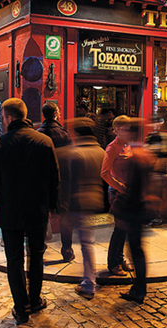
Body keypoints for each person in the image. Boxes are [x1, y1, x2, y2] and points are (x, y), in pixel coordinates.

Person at [0, 98, 59, 325]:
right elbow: (54, 176)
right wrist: (54, 206)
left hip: (10, 211)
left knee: (14, 260)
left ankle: (21, 307)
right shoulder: (45, 141)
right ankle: (35, 300)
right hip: (37, 209)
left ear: (8, 117)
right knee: (36, 255)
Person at [112, 118, 156, 304]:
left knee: (136, 250)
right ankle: (139, 287)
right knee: (137, 249)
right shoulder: (147, 154)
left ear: (131, 133)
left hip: (134, 210)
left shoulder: (135, 157)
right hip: (142, 208)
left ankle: (139, 289)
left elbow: (133, 189)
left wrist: (122, 212)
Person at [62, 118, 105, 299]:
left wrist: (63, 207)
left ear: (77, 133)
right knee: (88, 243)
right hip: (94, 201)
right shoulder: (100, 151)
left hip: (78, 203)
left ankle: (89, 284)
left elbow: (68, 183)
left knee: (86, 244)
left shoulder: (75, 154)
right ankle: (88, 281)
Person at [101, 115, 134, 276]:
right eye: (125, 128)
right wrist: (120, 186)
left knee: (124, 228)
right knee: (120, 228)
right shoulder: (112, 147)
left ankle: (119, 259)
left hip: (127, 192)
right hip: (117, 193)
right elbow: (104, 173)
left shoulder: (128, 145)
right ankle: (113, 263)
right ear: (117, 130)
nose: (129, 131)